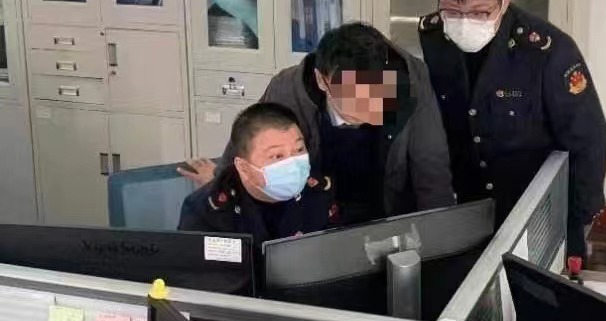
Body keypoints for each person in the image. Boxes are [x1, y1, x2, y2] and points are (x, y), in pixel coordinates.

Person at [418, 0, 606, 257]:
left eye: (480, 13)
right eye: (451, 11)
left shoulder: (546, 51)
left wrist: (578, 223)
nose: (464, 22)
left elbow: (587, 140)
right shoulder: (434, 36)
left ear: (504, 2)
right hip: (463, 205)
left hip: (532, 207)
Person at [180, 22, 455, 224]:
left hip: (387, 210)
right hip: (314, 217)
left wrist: (440, 241)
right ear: (322, 81)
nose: (369, 105)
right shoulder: (288, 89)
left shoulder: (412, 82)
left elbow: (432, 168)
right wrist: (219, 183)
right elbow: (248, 147)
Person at [178, 102, 336, 245]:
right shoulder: (207, 211)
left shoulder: (320, 191)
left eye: (299, 149)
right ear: (244, 167)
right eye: (277, 156)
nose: (293, 164)